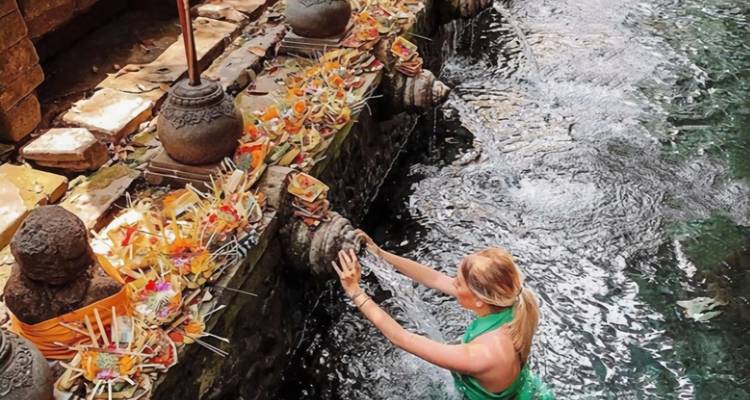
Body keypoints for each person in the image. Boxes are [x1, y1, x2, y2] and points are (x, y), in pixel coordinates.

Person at [331, 230, 554, 400]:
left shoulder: (482, 354)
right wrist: (380, 254)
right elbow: (435, 279)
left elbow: (402, 338)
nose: (452, 284)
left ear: (479, 299)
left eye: (458, 283)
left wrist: (355, 292)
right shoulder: (511, 303)